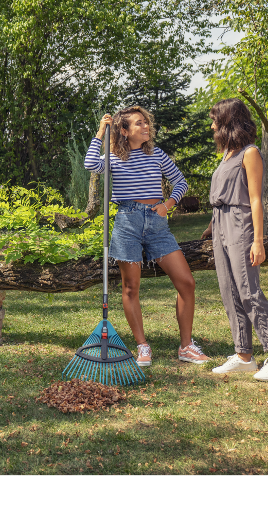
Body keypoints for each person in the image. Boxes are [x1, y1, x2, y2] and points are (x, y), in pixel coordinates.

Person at [84, 106, 209, 367]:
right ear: (124, 130)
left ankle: (186, 346)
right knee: (131, 288)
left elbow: (181, 182)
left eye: (146, 123)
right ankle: (142, 346)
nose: (146, 127)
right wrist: (100, 133)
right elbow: (90, 164)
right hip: (127, 222)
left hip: (156, 222)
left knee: (186, 282)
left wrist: (169, 204)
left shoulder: (157, 154)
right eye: (139, 124)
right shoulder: (114, 158)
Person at [201, 98, 268, 381]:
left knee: (249, 293)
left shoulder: (250, 153)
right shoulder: (228, 153)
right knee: (230, 293)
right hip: (221, 227)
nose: (212, 124)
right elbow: (225, 197)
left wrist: (258, 240)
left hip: (241, 228)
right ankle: (244, 355)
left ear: (228, 121)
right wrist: (211, 226)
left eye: (215, 119)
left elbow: (255, 200)